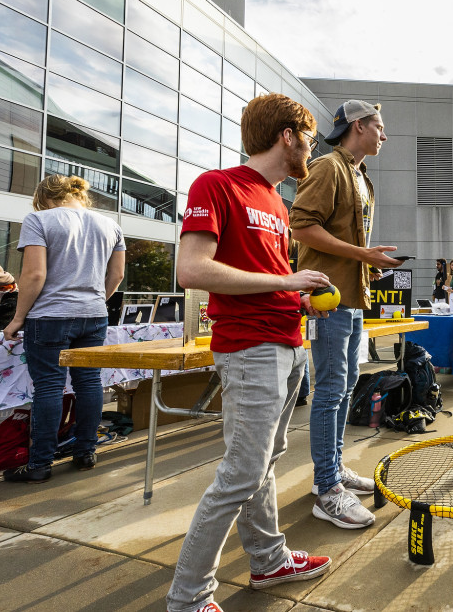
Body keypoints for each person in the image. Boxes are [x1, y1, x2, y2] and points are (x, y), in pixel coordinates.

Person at [166, 93, 333, 612]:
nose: (310, 147)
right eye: (307, 136)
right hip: (249, 347)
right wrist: (287, 278)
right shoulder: (216, 184)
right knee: (242, 471)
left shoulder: (276, 201)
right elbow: (191, 270)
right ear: (288, 135)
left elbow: (260, 278)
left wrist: (297, 296)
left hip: (288, 340)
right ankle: (188, 598)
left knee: (266, 462)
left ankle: (268, 558)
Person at [290, 99, 403, 530]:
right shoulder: (326, 167)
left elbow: (340, 236)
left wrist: (367, 263)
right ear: (358, 126)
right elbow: (300, 227)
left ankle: (333, 471)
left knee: (346, 383)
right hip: (326, 299)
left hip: (352, 297)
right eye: (379, 126)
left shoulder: (360, 177)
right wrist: (361, 253)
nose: (384, 135)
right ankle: (326, 489)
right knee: (331, 388)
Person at [1, 175, 125, 483]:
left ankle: (39, 465)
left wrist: (17, 319)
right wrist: (95, 301)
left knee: (49, 387)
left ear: (44, 198)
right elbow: (118, 274)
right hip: (95, 315)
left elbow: (33, 274)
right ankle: (86, 452)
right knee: (89, 383)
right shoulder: (111, 225)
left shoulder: (39, 219)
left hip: (50, 316)